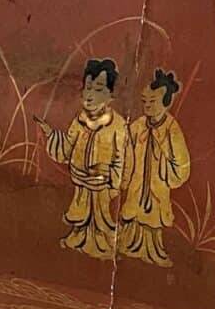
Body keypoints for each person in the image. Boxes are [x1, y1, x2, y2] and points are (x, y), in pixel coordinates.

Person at [46, 57, 129, 260]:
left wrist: (111, 177)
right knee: (81, 215)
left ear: (110, 95)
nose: (90, 95)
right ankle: (80, 238)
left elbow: (122, 159)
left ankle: (101, 244)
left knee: (101, 218)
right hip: (81, 182)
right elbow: (67, 149)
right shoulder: (79, 121)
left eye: (98, 89)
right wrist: (52, 136)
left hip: (102, 184)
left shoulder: (118, 125)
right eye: (88, 88)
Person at [119, 67, 191, 266]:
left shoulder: (171, 129)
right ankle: (129, 245)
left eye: (153, 101)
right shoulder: (138, 126)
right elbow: (127, 151)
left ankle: (153, 251)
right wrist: (125, 176)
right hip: (137, 181)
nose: (147, 106)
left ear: (166, 102)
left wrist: (166, 170)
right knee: (134, 214)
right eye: (145, 101)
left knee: (153, 219)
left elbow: (182, 162)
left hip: (158, 184)